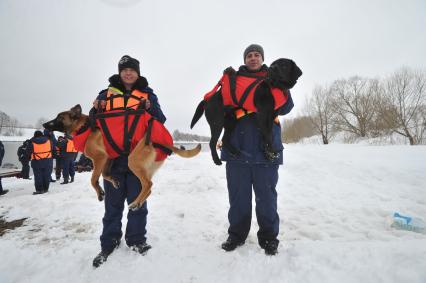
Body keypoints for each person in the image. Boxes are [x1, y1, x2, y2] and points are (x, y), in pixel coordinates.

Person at [206, 44, 295, 255]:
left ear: (262, 58)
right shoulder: (233, 81)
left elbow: (286, 107)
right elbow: (218, 105)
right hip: (237, 149)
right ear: (245, 59)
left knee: (267, 198)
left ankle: (269, 238)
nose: (253, 58)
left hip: (267, 150)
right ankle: (236, 236)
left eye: (257, 55)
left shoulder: (274, 79)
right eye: (249, 55)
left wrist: (282, 85)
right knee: (238, 198)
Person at [91, 55, 166, 268]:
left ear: (138, 73)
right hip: (112, 159)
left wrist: (150, 106)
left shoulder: (148, 94)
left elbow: (160, 119)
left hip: (138, 158)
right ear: (120, 72)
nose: (128, 73)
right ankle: (109, 241)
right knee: (112, 204)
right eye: (124, 70)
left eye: (132, 70)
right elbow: (93, 121)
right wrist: (96, 107)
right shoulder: (105, 94)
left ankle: (136, 239)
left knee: (137, 203)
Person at [28, 130, 54, 194]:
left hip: (36, 162)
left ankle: (39, 190)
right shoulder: (49, 141)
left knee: (38, 176)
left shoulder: (32, 142)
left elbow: (28, 152)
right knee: (47, 175)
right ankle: (45, 189)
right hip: (48, 161)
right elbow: (53, 149)